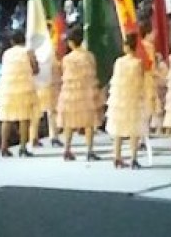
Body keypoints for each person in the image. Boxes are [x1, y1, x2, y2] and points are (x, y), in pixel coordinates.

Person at [56, 29, 101, 162]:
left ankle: (67, 149)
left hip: (70, 94)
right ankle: (89, 150)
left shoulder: (66, 59)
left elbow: (63, 73)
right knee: (89, 122)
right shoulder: (89, 56)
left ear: (70, 43)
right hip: (86, 92)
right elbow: (94, 70)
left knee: (69, 122)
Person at [106, 32, 150, 170]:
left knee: (118, 128)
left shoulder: (118, 62)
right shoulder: (138, 63)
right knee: (134, 129)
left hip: (119, 99)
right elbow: (142, 79)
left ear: (125, 47)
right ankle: (133, 158)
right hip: (134, 97)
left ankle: (117, 157)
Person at [0, 35, 39, 158]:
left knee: (6, 118)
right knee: (24, 118)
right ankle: (23, 148)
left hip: (7, 89)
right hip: (24, 88)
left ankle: (3, 147)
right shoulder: (28, 52)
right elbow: (35, 69)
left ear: (12, 41)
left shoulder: (6, 54)